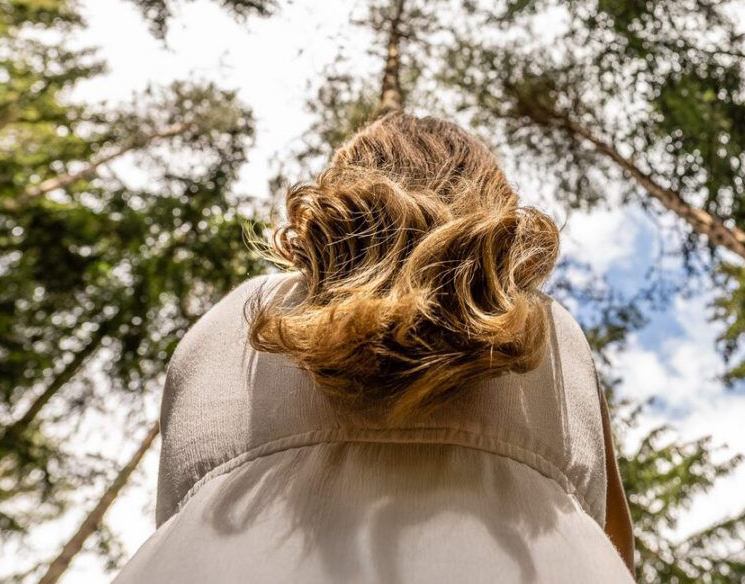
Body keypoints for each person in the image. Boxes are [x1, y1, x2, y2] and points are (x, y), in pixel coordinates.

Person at [114, 110, 637, 582]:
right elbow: (614, 536)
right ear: (492, 192)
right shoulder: (547, 325)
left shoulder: (244, 311)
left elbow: (176, 505)